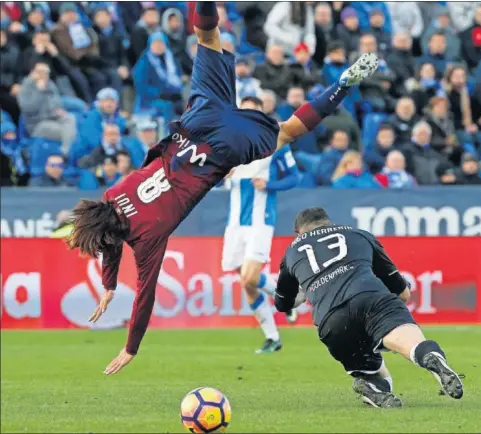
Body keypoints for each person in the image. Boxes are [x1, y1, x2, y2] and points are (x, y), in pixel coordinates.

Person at [66, 1, 379, 376]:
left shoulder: (147, 237)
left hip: (221, 149)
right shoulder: (112, 196)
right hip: (199, 120)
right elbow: (110, 237)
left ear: (108, 237)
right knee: (207, 38)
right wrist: (109, 284)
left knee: (287, 131)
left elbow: (144, 296)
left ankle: (341, 86)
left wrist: (131, 346)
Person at [274, 207, 464, 408]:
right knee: (414, 345)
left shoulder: (291, 253)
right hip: (371, 298)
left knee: (373, 373)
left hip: (331, 320)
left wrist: (305, 290)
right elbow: (402, 293)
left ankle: (373, 389)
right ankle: (428, 356)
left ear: (298, 232)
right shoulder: (359, 235)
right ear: (328, 222)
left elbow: (282, 303)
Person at [222, 96, 301, 354]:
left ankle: (289, 298)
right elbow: (211, 181)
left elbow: (294, 177)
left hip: (260, 220)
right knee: (246, 282)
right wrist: (220, 175)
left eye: (253, 112)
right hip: (235, 223)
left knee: (251, 277)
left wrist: (270, 185)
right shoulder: (228, 146)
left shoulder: (275, 143)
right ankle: (273, 337)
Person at [18, 62, 77, 153]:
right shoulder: (26, 87)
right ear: (32, 72)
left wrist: (58, 110)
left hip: (53, 118)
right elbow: (29, 109)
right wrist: (39, 91)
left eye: (46, 73)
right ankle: (66, 153)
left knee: (71, 118)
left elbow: (58, 103)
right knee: (66, 132)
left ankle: (66, 151)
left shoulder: (50, 85)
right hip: (37, 124)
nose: (43, 75)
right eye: (40, 72)